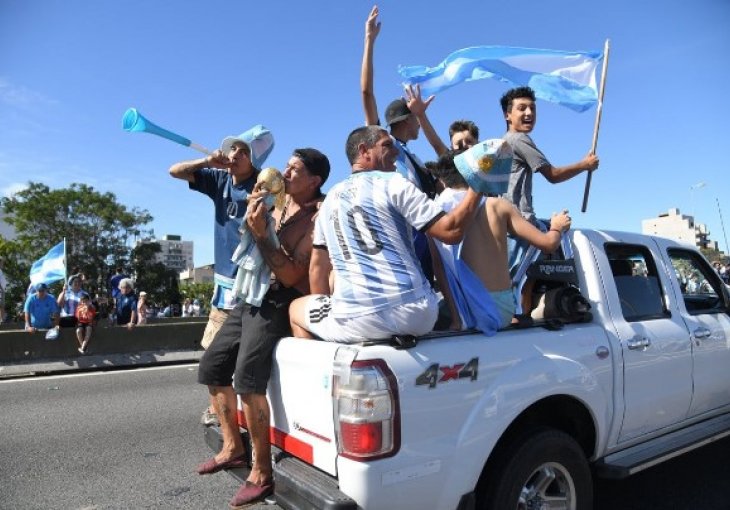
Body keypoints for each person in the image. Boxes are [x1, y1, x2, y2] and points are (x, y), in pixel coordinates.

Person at [196, 148, 330, 509]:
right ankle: (232, 446)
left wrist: (261, 235)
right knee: (212, 367)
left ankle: (262, 469)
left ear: (314, 181)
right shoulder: (280, 202)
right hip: (252, 294)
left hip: (280, 299)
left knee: (248, 382)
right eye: (286, 165)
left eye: (295, 169)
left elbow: (291, 275)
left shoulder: (318, 217)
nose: (285, 172)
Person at [288, 126, 482, 343]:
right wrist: (478, 184)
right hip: (418, 315)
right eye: (387, 145)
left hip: (359, 321)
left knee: (296, 308)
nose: (397, 152)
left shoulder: (330, 200)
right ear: (364, 151)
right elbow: (451, 231)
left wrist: (330, 313)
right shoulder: (395, 182)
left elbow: (318, 269)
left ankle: (325, 366)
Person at [169, 124, 274, 428]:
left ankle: (248, 413)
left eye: (244, 151)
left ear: (255, 160)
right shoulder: (218, 178)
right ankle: (217, 408)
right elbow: (174, 171)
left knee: (246, 360)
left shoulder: (263, 187)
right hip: (224, 287)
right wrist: (205, 162)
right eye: (234, 148)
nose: (235, 154)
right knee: (213, 354)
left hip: (253, 285)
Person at [428, 149, 572, 330]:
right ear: (478, 174)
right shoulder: (498, 206)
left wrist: (457, 319)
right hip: (502, 309)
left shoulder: (434, 217)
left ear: (442, 181)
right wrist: (557, 226)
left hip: (464, 308)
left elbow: (439, 270)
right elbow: (549, 244)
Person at [0, 257, 7, 324]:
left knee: (2, 305)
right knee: (1, 305)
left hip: (1, 289)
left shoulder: (0, 270)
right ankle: (1, 319)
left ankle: (2, 319)